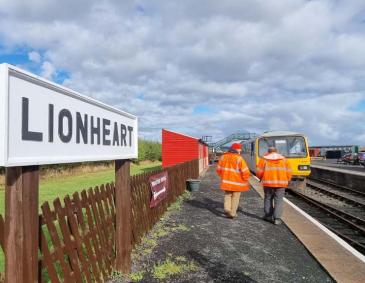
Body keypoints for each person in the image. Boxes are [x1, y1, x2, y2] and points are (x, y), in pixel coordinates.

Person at [256, 146, 292, 225]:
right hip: (281, 184)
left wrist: (260, 177)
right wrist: (288, 180)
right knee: (279, 200)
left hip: (268, 184)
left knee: (268, 199)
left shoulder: (264, 159)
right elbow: (289, 172)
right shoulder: (284, 160)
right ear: (276, 151)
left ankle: (268, 216)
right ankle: (277, 219)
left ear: (268, 151)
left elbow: (259, 172)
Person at [216, 143, 250, 218]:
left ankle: (227, 209)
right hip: (238, 182)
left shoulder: (223, 157)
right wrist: (246, 178)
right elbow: (245, 171)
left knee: (227, 195)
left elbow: (218, 170)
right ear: (236, 149)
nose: (240, 151)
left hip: (227, 182)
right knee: (235, 197)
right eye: (239, 150)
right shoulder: (239, 158)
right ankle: (233, 213)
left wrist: (223, 177)